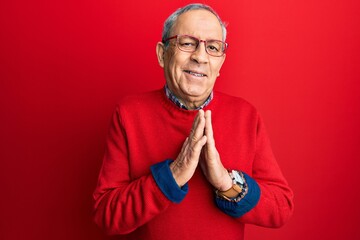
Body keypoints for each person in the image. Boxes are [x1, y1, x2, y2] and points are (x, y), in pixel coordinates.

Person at [93, 3, 294, 240]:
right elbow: (106, 215)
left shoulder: (246, 115)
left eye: (212, 47)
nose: (200, 56)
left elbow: (281, 208)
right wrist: (173, 174)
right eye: (187, 43)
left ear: (220, 63)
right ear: (162, 54)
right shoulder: (128, 113)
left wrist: (224, 181)